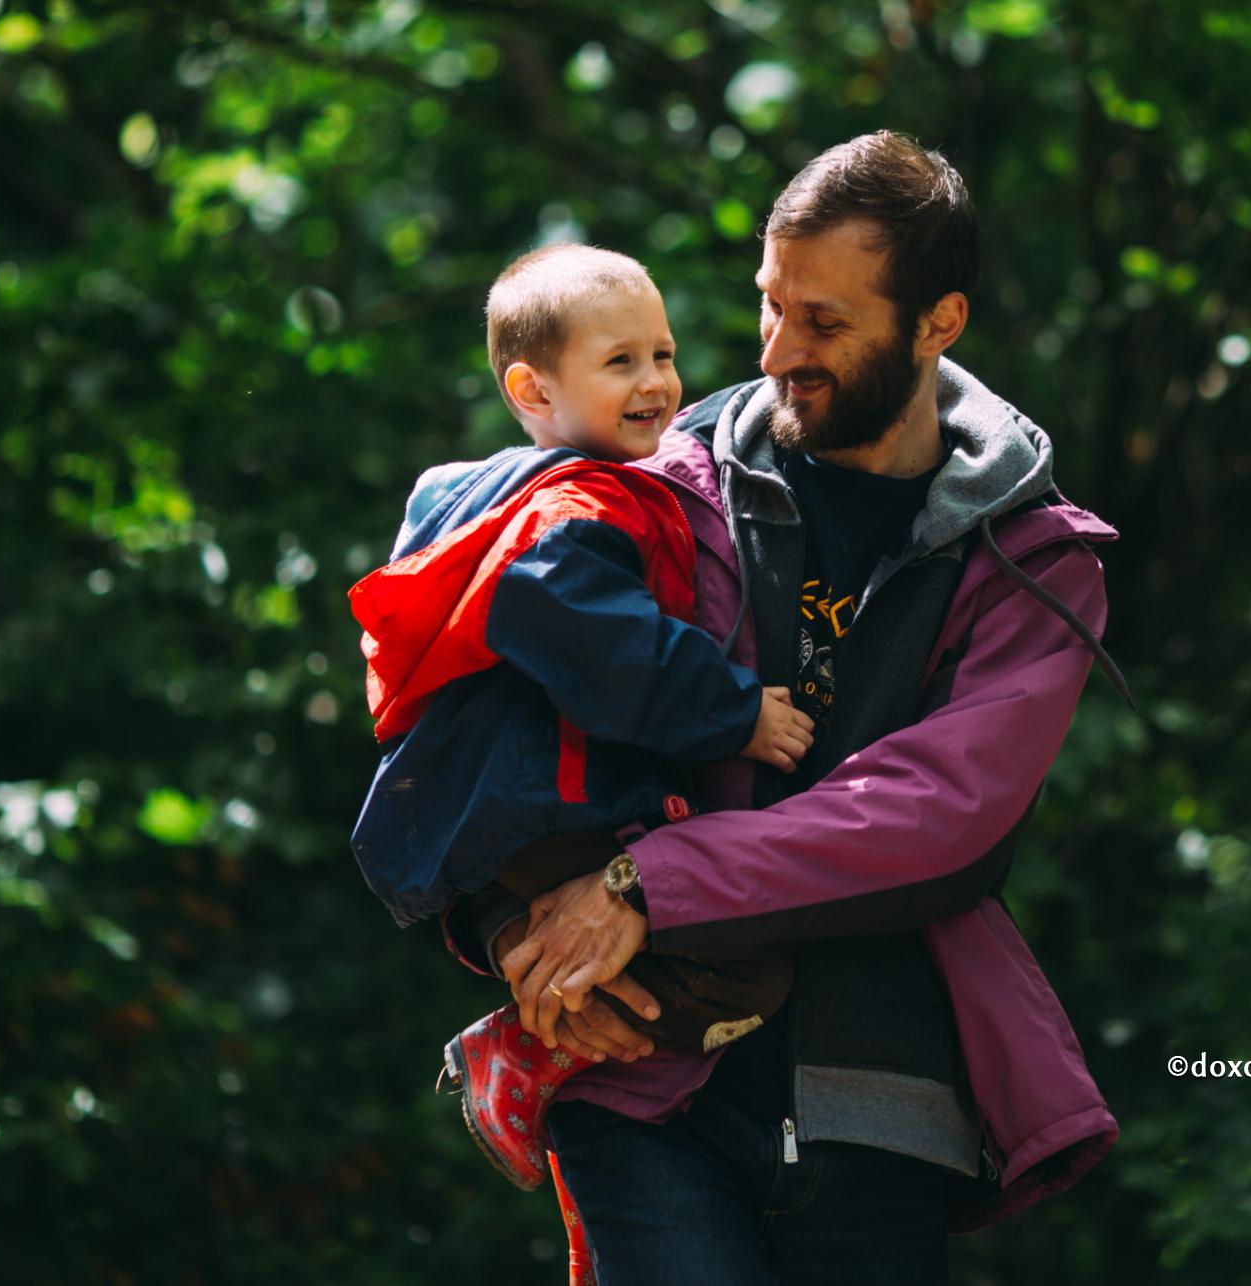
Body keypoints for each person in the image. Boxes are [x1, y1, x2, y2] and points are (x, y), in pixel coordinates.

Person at [447, 132, 1132, 1284]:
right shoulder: (660, 482)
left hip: (886, 1102)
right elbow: (481, 706)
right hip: (642, 1086)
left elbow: (938, 817)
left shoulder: (1034, 562)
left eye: (824, 323)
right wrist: (509, 923)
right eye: (769, 305)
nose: (775, 352)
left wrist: (640, 886)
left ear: (938, 323)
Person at [347, 244, 815, 1193]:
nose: (656, 383)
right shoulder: (577, 506)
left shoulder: (473, 495)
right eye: (620, 363)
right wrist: (735, 714)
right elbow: (602, 645)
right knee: (747, 968)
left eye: (663, 353)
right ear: (531, 386)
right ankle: (524, 1054)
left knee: (640, 948)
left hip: (484, 807)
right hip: (541, 804)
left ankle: (543, 1041)